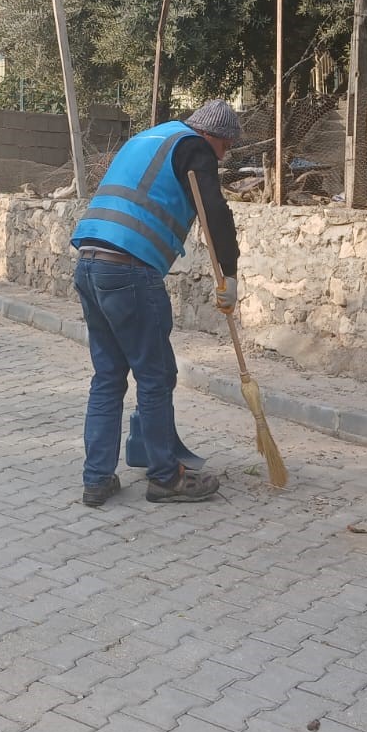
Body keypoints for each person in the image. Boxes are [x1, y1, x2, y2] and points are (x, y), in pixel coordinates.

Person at [70, 98, 243, 507]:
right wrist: (230, 273)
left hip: (89, 264)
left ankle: (96, 479)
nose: (224, 156)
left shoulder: (150, 138)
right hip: (129, 270)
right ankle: (165, 476)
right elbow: (214, 211)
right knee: (155, 375)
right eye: (227, 147)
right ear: (216, 137)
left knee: (108, 377)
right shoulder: (194, 147)